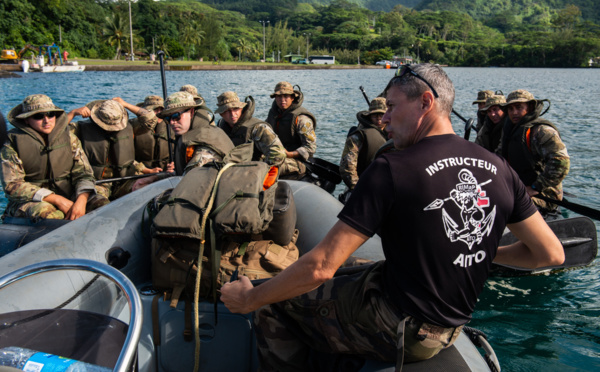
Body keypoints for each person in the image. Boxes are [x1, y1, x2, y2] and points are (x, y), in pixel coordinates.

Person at [220, 63, 564, 371]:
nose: (383, 119)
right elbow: (551, 254)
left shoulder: (392, 168)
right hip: (451, 326)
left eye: (393, 107)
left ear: (426, 102)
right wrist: (484, 254)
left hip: (403, 330)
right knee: (353, 264)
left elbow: (321, 266)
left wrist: (251, 297)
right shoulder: (499, 167)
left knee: (273, 305)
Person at [1, 94, 109, 220]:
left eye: (51, 114)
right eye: (38, 116)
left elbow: (84, 174)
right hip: (30, 201)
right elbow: (13, 185)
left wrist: (81, 200)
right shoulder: (11, 143)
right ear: (26, 119)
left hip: (69, 194)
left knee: (102, 205)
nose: (46, 120)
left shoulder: (70, 138)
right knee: (49, 213)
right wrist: (56, 200)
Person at [132, 91, 234, 190]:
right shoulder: (189, 137)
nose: (172, 122)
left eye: (177, 116)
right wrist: (154, 178)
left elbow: (192, 190)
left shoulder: (204, 149)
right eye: (168, 118)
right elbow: (182, 173)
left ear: (191, 112)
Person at [72, 99, 161, 200]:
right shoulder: (81, 129)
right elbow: (57, 132)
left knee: (149, 191)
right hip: (99, 183)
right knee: (99, 203)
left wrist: (126, 104)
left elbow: (151, 119)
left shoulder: (130, 127)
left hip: (125, 180)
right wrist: (73, 113)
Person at [500, 89, 570, 217]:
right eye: (510, 109)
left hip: (544, 196)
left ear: (530, 107)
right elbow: (498, 157)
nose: (514, 112)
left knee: (506, 206)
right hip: (519, 189)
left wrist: (535, 187)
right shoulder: (509, 131)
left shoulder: (542, 131)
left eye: (519, 107)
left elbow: (561, 162)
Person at [216, 91, 286, 167]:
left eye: (235, 109)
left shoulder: (258, 128)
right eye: (227, 111)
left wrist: (261, 170)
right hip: (231, 169)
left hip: (254, 170)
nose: (233, 114)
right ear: (221, 113)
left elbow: (278, 154)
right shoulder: (221, 127)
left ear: (241, 109)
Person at [265, 81, 317, 179]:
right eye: (279, 97)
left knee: (266, 168)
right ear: (275, 98)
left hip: (299, 162)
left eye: (286, 96)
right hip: (277, 156)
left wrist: (289, 154)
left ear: (292, 98)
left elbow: (310, 148)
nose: (282, 100)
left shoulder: (301, 119)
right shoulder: (273, 114)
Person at [339, 97, 388, 191]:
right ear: (369, 116)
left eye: (381, 115)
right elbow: (347, 166)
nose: (378, 119)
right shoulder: (359, 136)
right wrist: (357, 188)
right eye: (375, 115)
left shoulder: (393, 134)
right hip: (361, 187)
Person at [120, 95, 172, 171]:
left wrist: (173, 164)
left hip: (166, 170)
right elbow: (126, 157)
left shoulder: (172, 125)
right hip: (140, 170)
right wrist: (146, 170)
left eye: (161, 109)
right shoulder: (133, 127)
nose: (158, 112)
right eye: (154, 109)